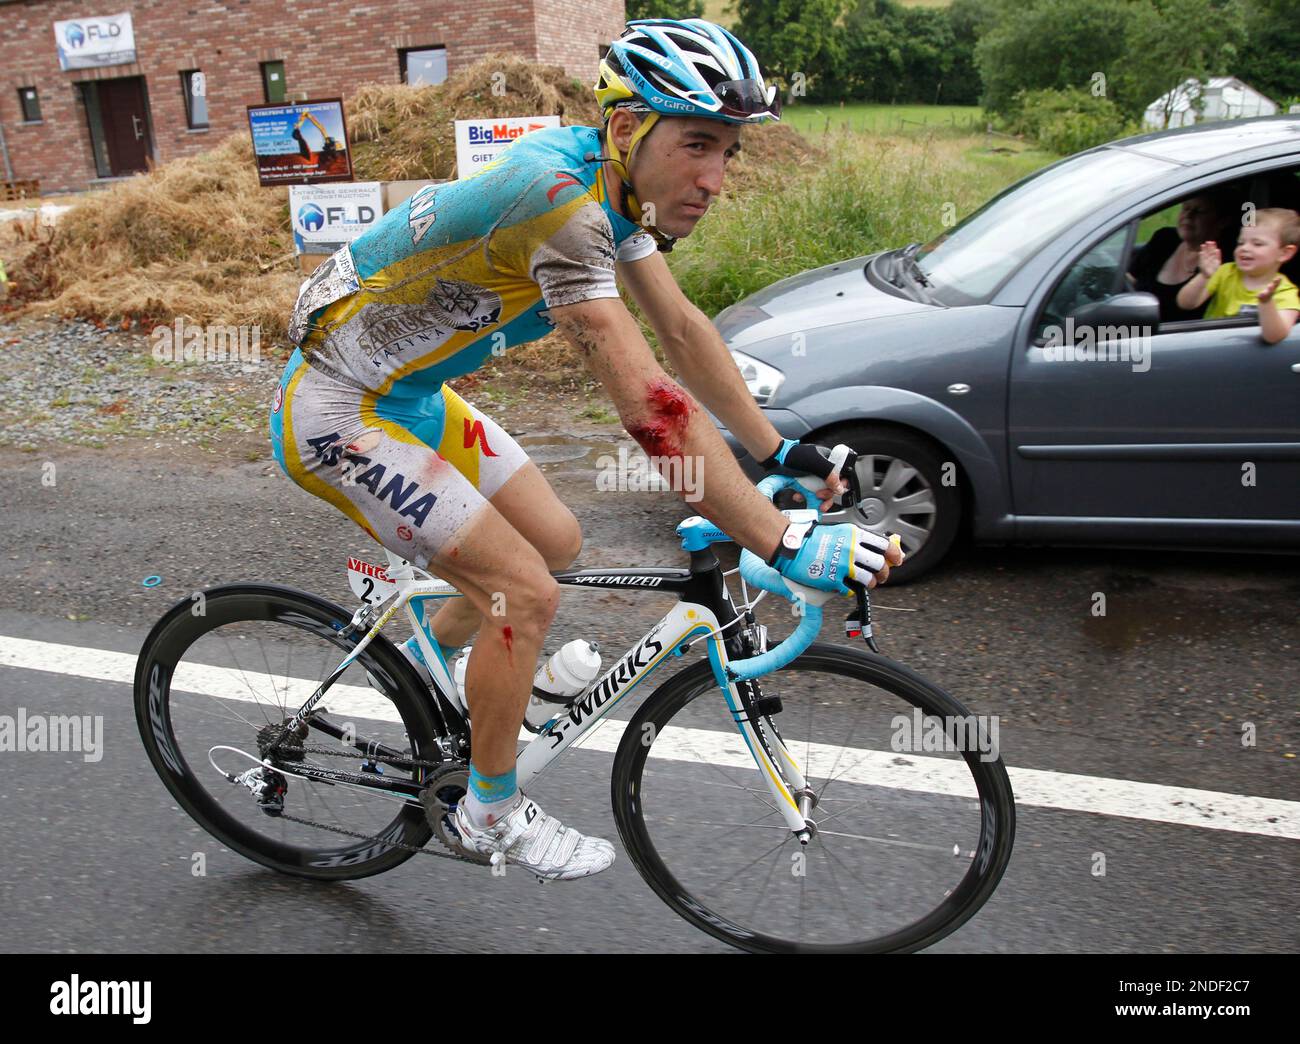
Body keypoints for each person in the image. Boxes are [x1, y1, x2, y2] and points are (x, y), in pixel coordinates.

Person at [268, 17, 902, 880]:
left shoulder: (613, 187)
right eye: (698, 146)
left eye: (730, 153)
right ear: (625, 128)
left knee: (558, 543)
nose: (715, 179)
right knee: (521, 592)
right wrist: (780, 536)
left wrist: (776, 449)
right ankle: (487, 813)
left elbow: (681, 330)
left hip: (408, 395)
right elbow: (650, 407)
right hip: (340, 410)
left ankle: (432, 653)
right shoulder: (558, 203)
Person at [1176, 207, 1300, 344]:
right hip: (1207, 345)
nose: (1245, 248)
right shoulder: (1226, 272)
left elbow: (1274, 336)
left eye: (1257, 244)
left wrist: (1267, 303)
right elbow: (1186, 303)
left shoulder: (1285, 292)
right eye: (1241, 242)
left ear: (1285, 253)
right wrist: (1204, 276)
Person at [1128, 194, 1223, 322]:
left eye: (1199, 211)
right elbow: (1130, 279)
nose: (1188, 216)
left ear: (1222, 221)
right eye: (1185, 208)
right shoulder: (1164, 238)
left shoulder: (1220, 261)